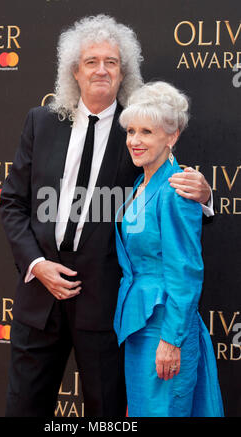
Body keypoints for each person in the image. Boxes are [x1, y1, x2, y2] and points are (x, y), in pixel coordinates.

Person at [0, 15, 213, 417]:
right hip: (38, 298)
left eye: (112, 62)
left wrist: (204, 194)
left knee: (107, 413)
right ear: (74, 71)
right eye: (92, 61)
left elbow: (169, 183)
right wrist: (36, 264)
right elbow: (12, 202)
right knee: (23, 407)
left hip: (105, 304)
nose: (101, 70)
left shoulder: (135, 129)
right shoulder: (41, 122)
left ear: (123, 72)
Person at [114, 81, 224, 417]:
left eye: (146, 131)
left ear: (171, 137)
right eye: (131, 130)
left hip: (164, 328)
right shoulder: (141, 182)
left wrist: (172, 340)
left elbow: (185, 271)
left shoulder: (178, 188)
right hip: (139, 326)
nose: (135, 140)